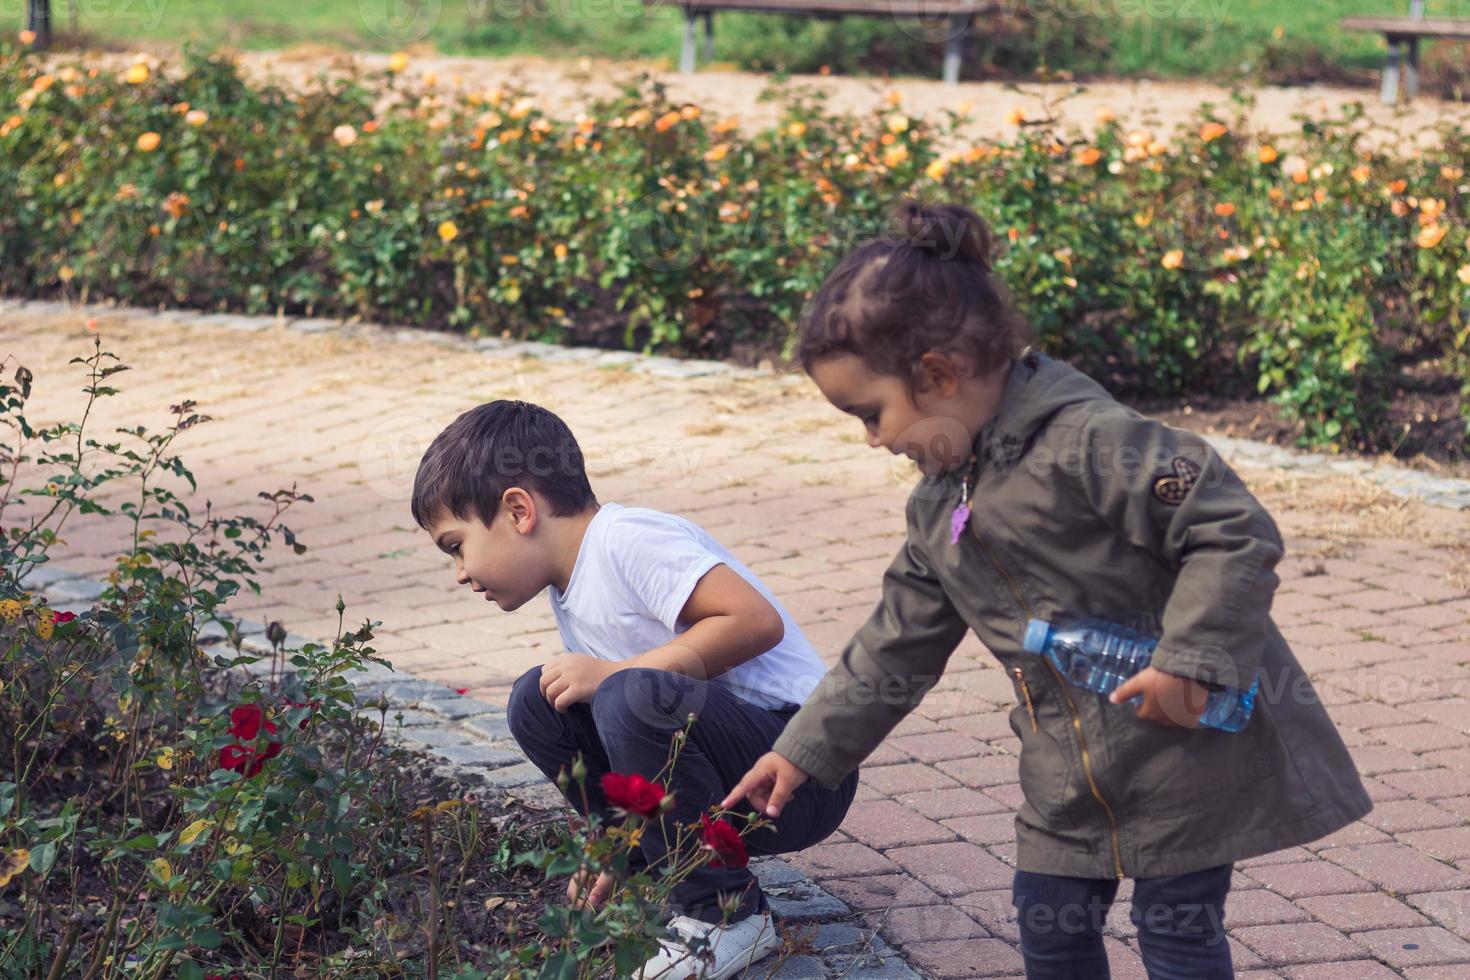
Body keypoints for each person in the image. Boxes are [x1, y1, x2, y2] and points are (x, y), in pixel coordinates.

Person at [722, 199, 1372, 979]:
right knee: (1050, 919)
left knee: (1175, 927)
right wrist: (802, 752)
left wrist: (1192, 659)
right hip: (1068, 767)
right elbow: (894, 644)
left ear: (938, 374)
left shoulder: (1089, 440)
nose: (873, 440)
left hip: (1185, 747)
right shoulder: (940, 503)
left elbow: (1231, 531)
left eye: (871, 414)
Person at [411, 400, 856, 979]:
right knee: (538, 699)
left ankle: (727, 917)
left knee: (628, 692)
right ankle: (653, 863)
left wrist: (619, 675)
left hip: (800, 773)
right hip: (731, 779)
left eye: (455, 545)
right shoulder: (569, 588)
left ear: (519, 509)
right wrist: (620, 843)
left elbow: (754, 621)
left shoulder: (625, 539)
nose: (460, 573)